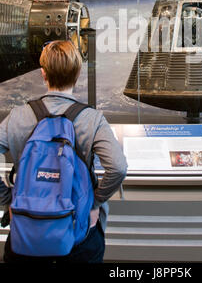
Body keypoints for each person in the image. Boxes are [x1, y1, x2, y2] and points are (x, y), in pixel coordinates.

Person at [0, 40, 128, 263]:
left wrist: (7, 199)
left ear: (43, 74)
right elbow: (118, 167)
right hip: (79, 237)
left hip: (25, 233)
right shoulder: (92, 119)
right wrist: (94, 203)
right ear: (78, 73)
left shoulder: (18, 116)